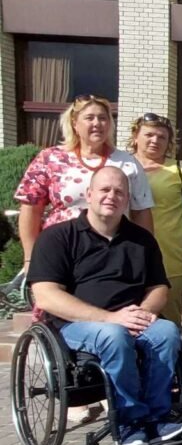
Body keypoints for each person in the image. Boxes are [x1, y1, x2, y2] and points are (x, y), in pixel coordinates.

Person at [27, 166, 182, 445]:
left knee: (166, 332)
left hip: (131, 319)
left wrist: (144, 312)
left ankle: (158, 418)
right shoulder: (58, 237)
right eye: (104, 189)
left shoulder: (141, 240)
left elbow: (159, 288)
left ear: (127, 200)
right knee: (114, 335)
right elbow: (46, 296)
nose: (111, 196)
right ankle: (129, 423)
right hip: (76, 324)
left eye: (119, 192)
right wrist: (111, 318)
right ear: (89, 194)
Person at [16, 94, 155, 425]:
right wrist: (31, 258)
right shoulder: (51, 159)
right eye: (90, 118)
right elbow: (30, 210)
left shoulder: (126, 162)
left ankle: (115, 389)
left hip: (114, 253)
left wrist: (145, 255)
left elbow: (142, 212)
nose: (97, 124)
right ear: (74, 123)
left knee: (125, 320)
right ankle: (76, 393)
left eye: (103, 118)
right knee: (64, 319)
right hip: (62, 253)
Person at [128, 113, 182, 325]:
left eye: (162, 137)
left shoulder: (179, 170)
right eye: (149, 135)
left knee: (169, 322)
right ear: (136, 137)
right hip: (128, 258)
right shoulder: (122, 167)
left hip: (171, 260)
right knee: (130, 317)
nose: (155, 140)